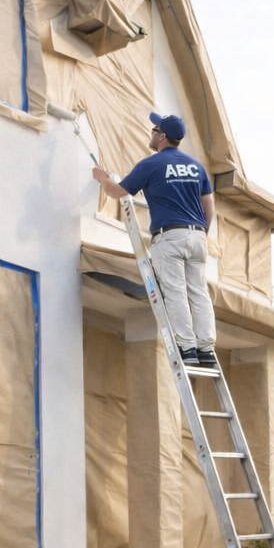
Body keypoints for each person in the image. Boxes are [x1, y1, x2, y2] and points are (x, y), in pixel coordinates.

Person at [93, 111, 218, 368]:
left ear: (162, 136)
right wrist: (199, 234)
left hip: (170, 237)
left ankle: (188, 348)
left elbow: (118, 191)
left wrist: (102, 178)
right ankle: (206, 348)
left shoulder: (151, 164)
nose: (150, 133)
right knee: (198, 293)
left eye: (153, 130)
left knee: (175, 292)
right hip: (198, 236)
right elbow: (210, 208)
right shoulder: (196, 167)